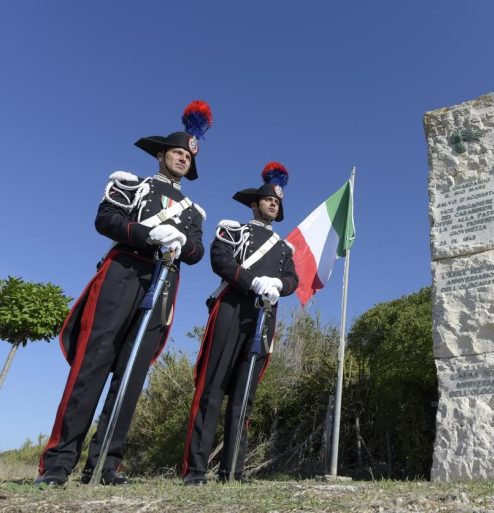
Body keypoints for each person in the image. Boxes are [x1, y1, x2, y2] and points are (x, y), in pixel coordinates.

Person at [36, 101, 213, 486]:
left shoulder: (194, 212)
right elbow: (106, 219)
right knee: (91, 366)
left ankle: (106, 464)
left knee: (132, 376)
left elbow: (198, 252)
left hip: (163, 283)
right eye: (177, 152)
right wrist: (147, 233)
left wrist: (182, 244)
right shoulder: (132, 184)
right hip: (123, 272)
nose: (182, 158)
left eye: (187, 156)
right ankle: (58, 463)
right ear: (162, 154)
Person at [181, 162, 298, 486]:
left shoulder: (284, 249)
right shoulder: (233, 230)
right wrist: (252, 281)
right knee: (213, 387)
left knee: (245, 394)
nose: (274, 204)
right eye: (268, 199)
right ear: (254, 203)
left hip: (264, 316)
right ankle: (196, 470)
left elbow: (293, 279)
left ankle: (233, 469)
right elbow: (220, 259)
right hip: (232, 306)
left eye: (277, 202)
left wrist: (278, 286)